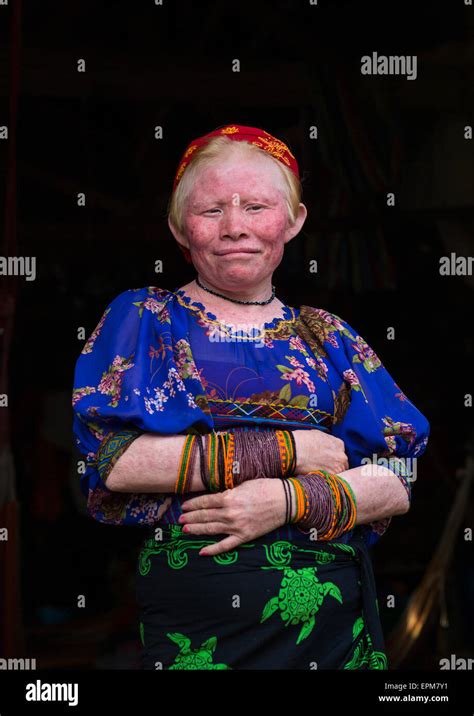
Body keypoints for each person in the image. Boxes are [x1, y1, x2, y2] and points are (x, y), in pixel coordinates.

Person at [72, 124, 430, 670]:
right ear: (178, 227)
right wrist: (289, 452)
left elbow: (397, 478)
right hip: (198, 632)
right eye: (211, 211)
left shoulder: (328, 337)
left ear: (294, 221)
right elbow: (113, 460)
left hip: (329, 635)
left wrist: (285, 502)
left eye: (257, 207)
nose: (235, 228)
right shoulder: (147, 320)